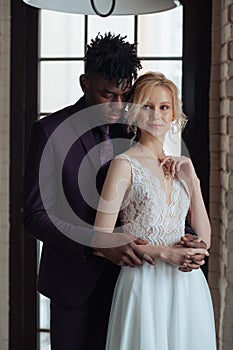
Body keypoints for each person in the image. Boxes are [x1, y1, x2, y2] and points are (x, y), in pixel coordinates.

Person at [24, 32, 207, 350]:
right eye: (107, 94)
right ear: (84, 83)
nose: (118, 105)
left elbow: (151, 198)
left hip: (137, 282)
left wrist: (185, 235)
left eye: (124, 95)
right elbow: (35, 215)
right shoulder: (49, 131)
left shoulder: (137, 123)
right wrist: (96, 243)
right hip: (75, 283)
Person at [94, 72, 216, 350]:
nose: (156, 115)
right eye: (146, 106)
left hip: (186, 286)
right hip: (143, 283)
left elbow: (205, 239)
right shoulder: (123, 165)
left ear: (174, 114)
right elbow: (100, 238)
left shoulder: (181, 166)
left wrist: (192, 179)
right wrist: (165, 254)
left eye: (164, 107)